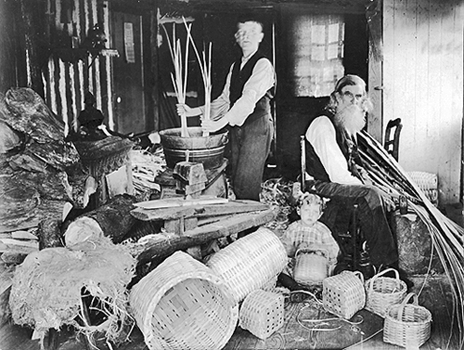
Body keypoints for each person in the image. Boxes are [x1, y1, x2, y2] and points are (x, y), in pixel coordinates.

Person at [303, 74, 405, 281]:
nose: (353, 101)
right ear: (336, 97)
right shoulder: (324, 124)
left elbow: (353, 165)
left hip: (333, 182)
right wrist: (372, 190)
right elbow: (338, 174)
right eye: (348, 95)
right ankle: (385, 268)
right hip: (320, 186)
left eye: (358, 96)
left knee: (374, 192)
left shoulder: (346, 125)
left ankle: (381, 258)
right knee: (370, 195)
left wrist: (370, 181)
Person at [177, 17, 275, 201]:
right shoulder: (235, 66)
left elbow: (248, 98)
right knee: (237, 179)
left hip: (256, 127)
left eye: (251, 33)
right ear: (236, 38)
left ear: (260, 37)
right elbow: (224, 100)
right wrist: (193, 111)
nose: (246, 37)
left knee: (248, 182)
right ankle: (244, 223)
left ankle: (251, 227)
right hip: (238, 126)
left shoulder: (263, 64)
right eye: (242, 33)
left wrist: (219, 124)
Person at [280, 192, 340, 278]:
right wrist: (294, 249)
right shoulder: (292, 228)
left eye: (315, 212)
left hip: (317, 267)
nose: (310, 215)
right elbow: (284, 247)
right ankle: (296, 287)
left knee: (326, 273)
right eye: (306, 210)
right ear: (298, 210)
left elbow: (334, 250)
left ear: (320, 215)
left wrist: (319, 248)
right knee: (284, 272)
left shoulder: (322, 230)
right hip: (297, 267)